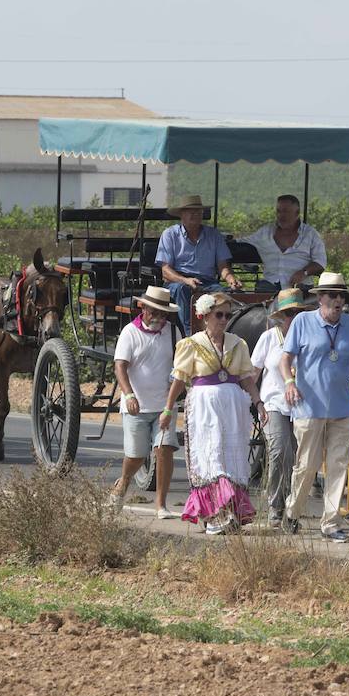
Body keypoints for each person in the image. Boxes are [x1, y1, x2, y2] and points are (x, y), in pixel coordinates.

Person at [280, 272, 349, 541]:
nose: (337, 300)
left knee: (338, 465)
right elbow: (285, 359)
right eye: (332, 295)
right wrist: (289, 382)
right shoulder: (302, 321)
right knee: (307, 466)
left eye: (341, 295)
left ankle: (331, 522)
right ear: (320, 298)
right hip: (309, 407)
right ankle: (293, 512)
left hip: (343, 408)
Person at [160, 291, 261, 535]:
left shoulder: (238, 344)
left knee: (232, 459)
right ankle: (215, 514)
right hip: (205, 408)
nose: (224, 319)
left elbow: (247, 378)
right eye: (219, 315)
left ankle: (232, 512)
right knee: (211, 458)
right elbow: (179, 379)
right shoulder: (192, 344)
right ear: (206, 316)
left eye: (228, 315)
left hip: (233, 408)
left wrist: (259, 402)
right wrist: (168, 408)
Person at [111, 286, 183, 520]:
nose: (159, 318)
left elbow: (180, 367)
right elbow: (120, 366)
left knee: (164, 451)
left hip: (164, 407)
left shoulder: (173, 333)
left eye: (163, 314)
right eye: (154, 313)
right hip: (136, 406)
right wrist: (129, 395)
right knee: (137, 456)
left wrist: (171, 402)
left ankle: (161, 505)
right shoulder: (129, 332)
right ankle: (123, 483)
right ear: (143, 308)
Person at [252, 288, 312, 526]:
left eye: (298, 313)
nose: (294, 318)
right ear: (281, 316)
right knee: (280, 451)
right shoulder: (269, 338)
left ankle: (292, 507)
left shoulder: (309, 339)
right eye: (289, 313)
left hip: (303, 406)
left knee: (301, 458)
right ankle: (276, 505)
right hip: (274, 402)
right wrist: (256, 403)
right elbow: (252, 374)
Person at [156, 194, 243, 332]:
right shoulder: (170, 235)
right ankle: (190, 334)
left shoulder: (213, 235)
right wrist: (185, 280)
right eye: (191, 211)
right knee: (182, 290)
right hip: (177, 282)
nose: (195, 214)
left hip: (208, 283)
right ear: (181, 215)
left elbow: (223, 266)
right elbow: (165, 271)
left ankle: (226, 331)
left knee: (226, 295)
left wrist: (231, 279)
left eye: (198, 211)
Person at [238, 194, 327, 292]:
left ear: (297, 213)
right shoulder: (264, 233)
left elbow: (320, 262)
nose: (281, 215)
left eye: (286, 211)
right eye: (278, 211)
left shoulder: (311, 234)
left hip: (299, 287)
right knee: (262, 289)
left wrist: (304, 272)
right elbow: (239, 243)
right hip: (269, 286)